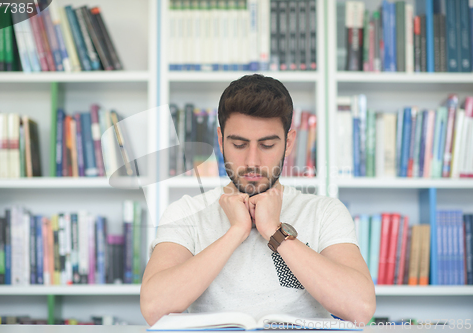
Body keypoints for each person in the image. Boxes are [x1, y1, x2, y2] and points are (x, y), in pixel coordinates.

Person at [140, 74, 376, 326]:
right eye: (239, 145)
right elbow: (154, 308)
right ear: (221, 141)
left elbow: (360, 308)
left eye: (267, 145)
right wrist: (236, 232)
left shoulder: (324, 212)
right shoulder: (185, 212)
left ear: (288, 143)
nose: (252, 161)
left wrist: (275, 232)